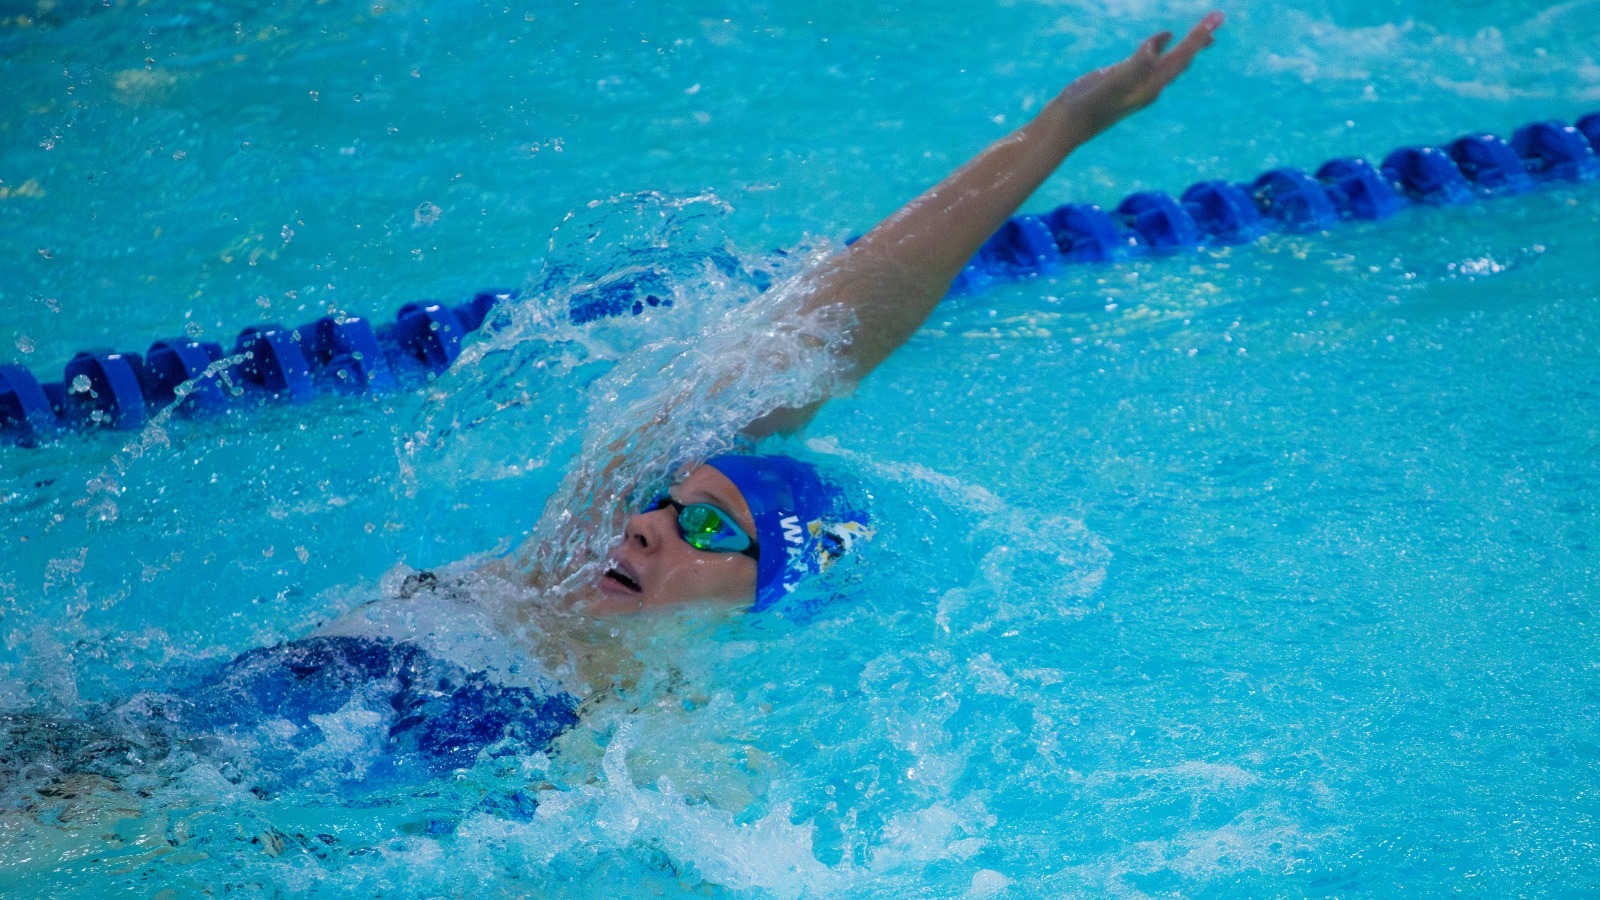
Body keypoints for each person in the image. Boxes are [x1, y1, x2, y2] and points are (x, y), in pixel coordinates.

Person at [533, 12, 1225, 619]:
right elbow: (808, 344)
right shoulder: (535, 589)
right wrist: (1061, 128)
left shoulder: (677, 757)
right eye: (661, 499)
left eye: (710, 529)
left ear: (766, 594)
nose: (643, 526)